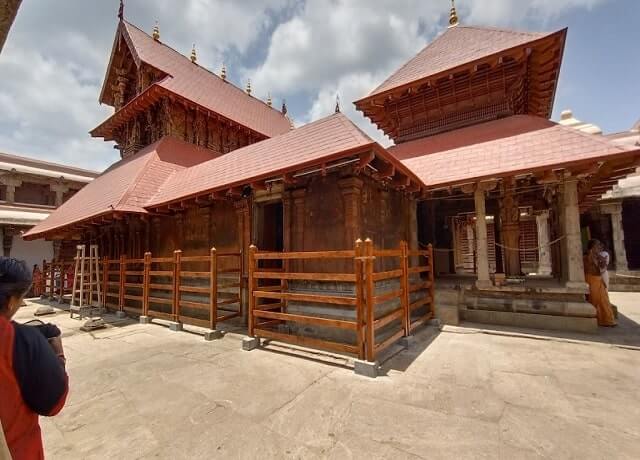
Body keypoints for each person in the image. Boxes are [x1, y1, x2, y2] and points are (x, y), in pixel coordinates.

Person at [0, 257, 68, 459]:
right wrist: (58, 357)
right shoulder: (18, 340)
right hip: (16, 450)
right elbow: (53, 402)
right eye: (21, 298)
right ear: (11, 300)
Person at [583, 240, 617, 327]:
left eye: (599, 245)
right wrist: (592, 256)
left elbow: (603, 267)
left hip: (598, 280)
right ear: (592, 247)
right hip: (591, 280)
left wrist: (602, 260)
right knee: (594, 300)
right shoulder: (586, 257)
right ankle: (596, 319)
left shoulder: (599, 256)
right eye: (597, 246)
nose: (599, 247)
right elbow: (588, 267)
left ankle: (608, 320)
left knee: (604, 300)